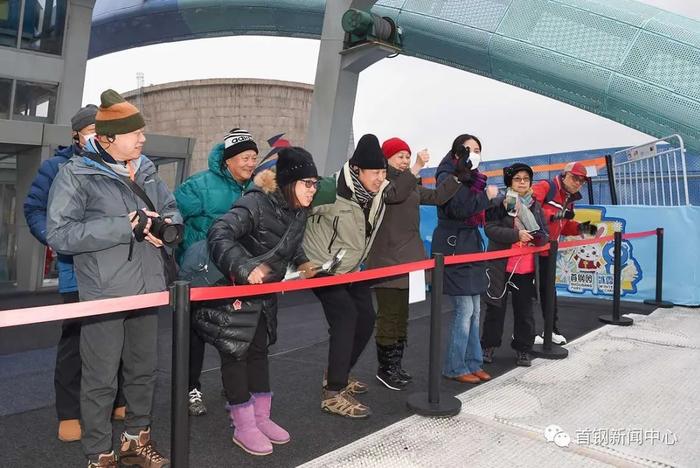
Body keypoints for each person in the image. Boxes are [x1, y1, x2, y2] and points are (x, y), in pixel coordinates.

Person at [47, 89, 179, 467]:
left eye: (142, 132)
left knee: (143, 373)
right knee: (101, 379)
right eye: (135, 133)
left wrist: (168, 226)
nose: (142, 138)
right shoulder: (76, 174)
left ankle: (136, 442)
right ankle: (100, 455)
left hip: (149, 288)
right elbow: (59, 234)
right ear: (107, 138)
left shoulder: (148, 169)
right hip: (105, 293)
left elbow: (171, 209)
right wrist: (124, 226)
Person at [193, 147, 318, 456]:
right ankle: (243, 425)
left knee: (259, 353)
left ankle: (261, 418)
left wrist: (303, 263)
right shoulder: (255, 203)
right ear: (289, 182)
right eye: (307, 183)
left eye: (315, 183)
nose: (312, 190)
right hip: (232, 290)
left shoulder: (297, 211)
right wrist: (245, 267)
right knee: (235, 354)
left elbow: (286, 243)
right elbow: (218, 233)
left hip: (263, 294)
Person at [23, 104, 126, 442]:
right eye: (91, 131)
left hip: (117, 268)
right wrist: (56, 239)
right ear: (77, 135)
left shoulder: (124, 164)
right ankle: (68, 412)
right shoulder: (56, 166)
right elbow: (34, 208)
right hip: (75, 268)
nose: (98, 137)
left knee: (118, 335)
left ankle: (117, 398)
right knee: (74, 340)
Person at [303, 134, 417, 418]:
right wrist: (300, 259)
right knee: (345, 318)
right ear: (356, 170)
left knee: (366, 319)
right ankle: (333, 393)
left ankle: (337, 374)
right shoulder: (328, 189)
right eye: (375, 172)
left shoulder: (378, 192)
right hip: (322, 268)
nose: (381, 178)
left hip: (351, 268)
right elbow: (293, 209)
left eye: (382, 171)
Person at [365, 137, 460, 390]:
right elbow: (394, 195)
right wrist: (417, 166)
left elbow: (439, 197)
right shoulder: (380, 183)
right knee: (389, 316)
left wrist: (458, 177)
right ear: (386, 159)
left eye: (407, 156)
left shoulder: (411, 185)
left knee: (402, 316)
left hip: (411, 261)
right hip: (387, 262)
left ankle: (395, 365)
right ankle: (385, 368)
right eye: (400, 156)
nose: (405, 160)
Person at [175, 128, 258, 417]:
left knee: (235, 330)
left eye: (254, 157)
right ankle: (189, 388)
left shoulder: (253, 189)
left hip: (235, 274)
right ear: (229, 159)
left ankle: (232, 386)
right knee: (194, 336)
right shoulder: (199, 185)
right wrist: (189, 252)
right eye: (245, 157)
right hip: (201, 275)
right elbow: (172, 215)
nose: (251, 163)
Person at [431, 134, 498, 384]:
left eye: (478, 149)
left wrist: (496, 202)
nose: (474, 153)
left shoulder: (475, 179)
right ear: (457, 153)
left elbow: (474, 208)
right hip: (454, 247)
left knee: (475, 308)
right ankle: (455, 367)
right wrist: (486, 198)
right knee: (465, 309)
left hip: (471, 246)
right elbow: (458, 209)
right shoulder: (447, 175)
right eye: (468, 149)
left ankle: (473, 363)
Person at [481, 163, 548, 367]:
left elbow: (544, 235)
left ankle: (523, 349)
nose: (521, 182)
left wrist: (537, 238)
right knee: (495, 309)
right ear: (510, 182)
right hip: (500, 266)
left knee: (525, 312)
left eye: (525, 179)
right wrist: (515, 234)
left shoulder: (536, 206)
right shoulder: (498, 202)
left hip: (525, 269)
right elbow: (490, 229)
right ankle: (488, 346)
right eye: (517, 179)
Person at [531, 161, 598, 345]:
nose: (578, 182)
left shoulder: (569, 198)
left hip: (548, 251)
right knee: (526, 293)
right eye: (575, 177)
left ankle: (550, 329)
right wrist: (555, 216)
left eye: (582, 180)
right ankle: (523, 334)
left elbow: (564, 226)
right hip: (529, 250)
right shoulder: (546, 187)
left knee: (547, 292)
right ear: (564, 174)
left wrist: (582, 228)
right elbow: (527, 210)